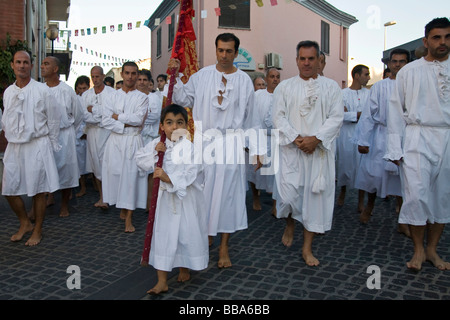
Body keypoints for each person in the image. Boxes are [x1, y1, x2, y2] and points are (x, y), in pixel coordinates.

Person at [169, 33, 262, 268]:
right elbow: (182, 98)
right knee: (201, 193)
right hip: (203, 143)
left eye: (229, 51)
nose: (224, 55)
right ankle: (204, 237)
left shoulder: (243, 81)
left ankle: (223, 247)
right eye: (220, 50)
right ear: (215, 49)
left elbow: (252, 118)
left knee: (228, 197)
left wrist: (257, 149)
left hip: (231, 145)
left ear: (236, 53)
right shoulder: (202, 76)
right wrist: (175, 74)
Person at [385, 17, 450, 271]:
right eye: (436, 37)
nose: (442, 42)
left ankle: (433, 250)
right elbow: (394, 111)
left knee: (442, 196)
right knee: (416, 196)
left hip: (447, 139)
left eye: (447, 37)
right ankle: (418, 250)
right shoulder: (409, 72)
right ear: (426, 41)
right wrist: (394, 148)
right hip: (417, 137)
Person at [272, 40, 343, 266]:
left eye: (311, 58)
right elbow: (278, 117)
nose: (306, 63)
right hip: (292, 151)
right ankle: (291, 224)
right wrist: (296, 137)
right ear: (296, 60)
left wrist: (316, 139)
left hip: (318, 153)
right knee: (290, 195)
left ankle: (307, 248)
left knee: (315, 198)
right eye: (302, 58)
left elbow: (336, 117)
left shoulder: (331, 87)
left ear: (319, 60)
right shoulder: (284, 87)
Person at [135, 104, 208, 295]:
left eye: (179, 123)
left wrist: (168, 177)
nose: (174, 127)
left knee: (185, 234)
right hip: (165, 201)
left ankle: (185, 266)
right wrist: (154, 153)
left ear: (186, 126)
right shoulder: (157, 144)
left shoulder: (190, 147)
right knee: (164, 236)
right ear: (162, 126)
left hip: (186, 200)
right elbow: (139, 161)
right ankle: (162, 281)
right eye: (169, 123)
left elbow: (193, 171)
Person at [1, 50, 61, 246]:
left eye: (25, 62)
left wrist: (51, 146)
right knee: (9, 188)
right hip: (14, 146)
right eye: (18, 62)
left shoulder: (43, 90)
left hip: (38, 144)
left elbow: (53, 120)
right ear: (12, 65)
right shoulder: (9, 92)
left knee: (38, 190)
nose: (22, 66)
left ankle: (37, 230)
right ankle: (24, 223)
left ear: (31, 66)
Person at [355, 49, 410, 231]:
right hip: (380, 136)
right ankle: (369, 207)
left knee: (403, 178)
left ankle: (403, 218)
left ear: (407, 63)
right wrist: (363, 140)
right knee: (373, 175)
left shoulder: (412, 84)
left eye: (402, 61)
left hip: (405, 136)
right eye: (394, 61)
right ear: (389, 64)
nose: (397, 65)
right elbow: (369, 115)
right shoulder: (379, 87)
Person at [101, 61, 148, 233]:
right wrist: (123, 123)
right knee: (116, 174)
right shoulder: (111, 96)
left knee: (131, 178)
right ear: (122, 74)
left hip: (132, 141)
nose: (130, 76)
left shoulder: (142, 98)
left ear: (137, 75)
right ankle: (122, 207)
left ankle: (129, 216)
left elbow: (138, 119)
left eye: (133, 73)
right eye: (127, 73)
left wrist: (117, 116)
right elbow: (105, 120)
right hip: (115, 141)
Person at [41, 56, 84, 217]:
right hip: (46, 136)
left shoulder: (67, 90)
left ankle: (64, 204)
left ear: (55, 69)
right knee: (45, 169)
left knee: (66, 169)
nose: (42, 66)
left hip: (65, 135)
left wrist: (68, 130)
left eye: (46, 64)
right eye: (42, 64)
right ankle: (49, 196)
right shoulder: (40, 89)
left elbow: (78, 114)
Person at [336, 65, 371, 212]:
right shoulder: (342, 93)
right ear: (357, 76)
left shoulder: (369, 94)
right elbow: (340, 115)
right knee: (345, 164)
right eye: (366, 74)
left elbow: (371, 114)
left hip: (363, 134)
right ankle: (342, 192)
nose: (368, 77)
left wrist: (354, 114)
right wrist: (358, 115)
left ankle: (361, 200)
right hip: (346, 135)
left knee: (362, 167)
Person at [82, 66, 116, 209]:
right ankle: (102, 197)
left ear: (103, 76)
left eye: (97, 76)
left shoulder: (112, 93)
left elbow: (112, 113)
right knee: (95, 164)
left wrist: (95, 111)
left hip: (107, 133)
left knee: (107, 163)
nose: (95, 79)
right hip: (92, 133)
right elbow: (84, 115)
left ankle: (111, 197)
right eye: (93, 77)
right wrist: (100, 117)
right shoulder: (86, 95)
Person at [248, 68, 280, 213]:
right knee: (255, 171)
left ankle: (275, 204)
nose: (275, 79)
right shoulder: (258, 95)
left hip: (275, 141)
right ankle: (255, 197)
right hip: (259, 138)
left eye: (277, 77)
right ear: (266, 79)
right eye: (272, 76)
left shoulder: (282, 97)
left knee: (276, 174)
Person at [137, 69, 163, 209]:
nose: (141, 82)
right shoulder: (132, 96)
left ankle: (149, 204)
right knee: (135, 171)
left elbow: (154, 116)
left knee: (150, 173)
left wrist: (135, 118)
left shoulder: (154, 98)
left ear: (149, 83)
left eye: (144, 80)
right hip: (136, 138)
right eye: (139, 79)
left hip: (150, 138)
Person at [74, 75, 90, 197]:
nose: (82, 91)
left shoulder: (91, 98)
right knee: (79, 162)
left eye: (85, 88)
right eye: (80, 88)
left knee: (91, 161)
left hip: (88, 134)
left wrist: (85, 132)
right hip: (77, 135)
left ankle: (94, 185)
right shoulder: (75, 99)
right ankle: (82, 186)